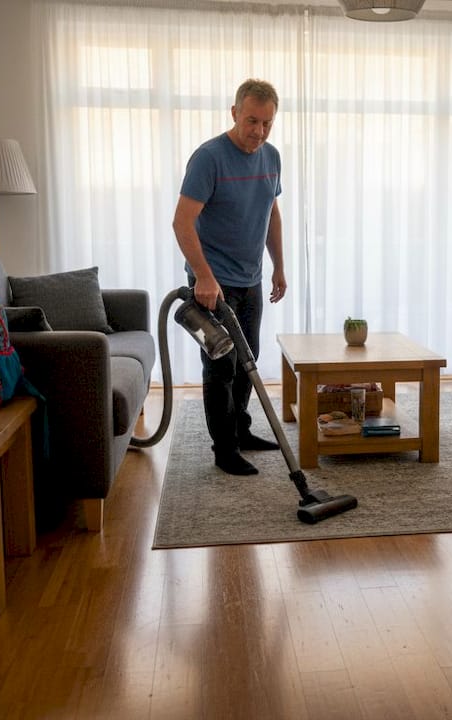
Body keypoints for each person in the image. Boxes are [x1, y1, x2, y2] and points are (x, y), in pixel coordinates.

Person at [173, 79, 287, 476]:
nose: (259, 131)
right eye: (252, 120)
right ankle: (224, 450)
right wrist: (203, 277)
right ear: (235, 112)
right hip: (212, 285)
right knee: (221, 365)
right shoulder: (209, 158)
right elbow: (182, 222)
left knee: (246, 361)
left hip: (250, 279)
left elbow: (271, 213)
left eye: (267, 123)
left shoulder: (271, 157)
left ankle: (241, 431)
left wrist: (279, 266)